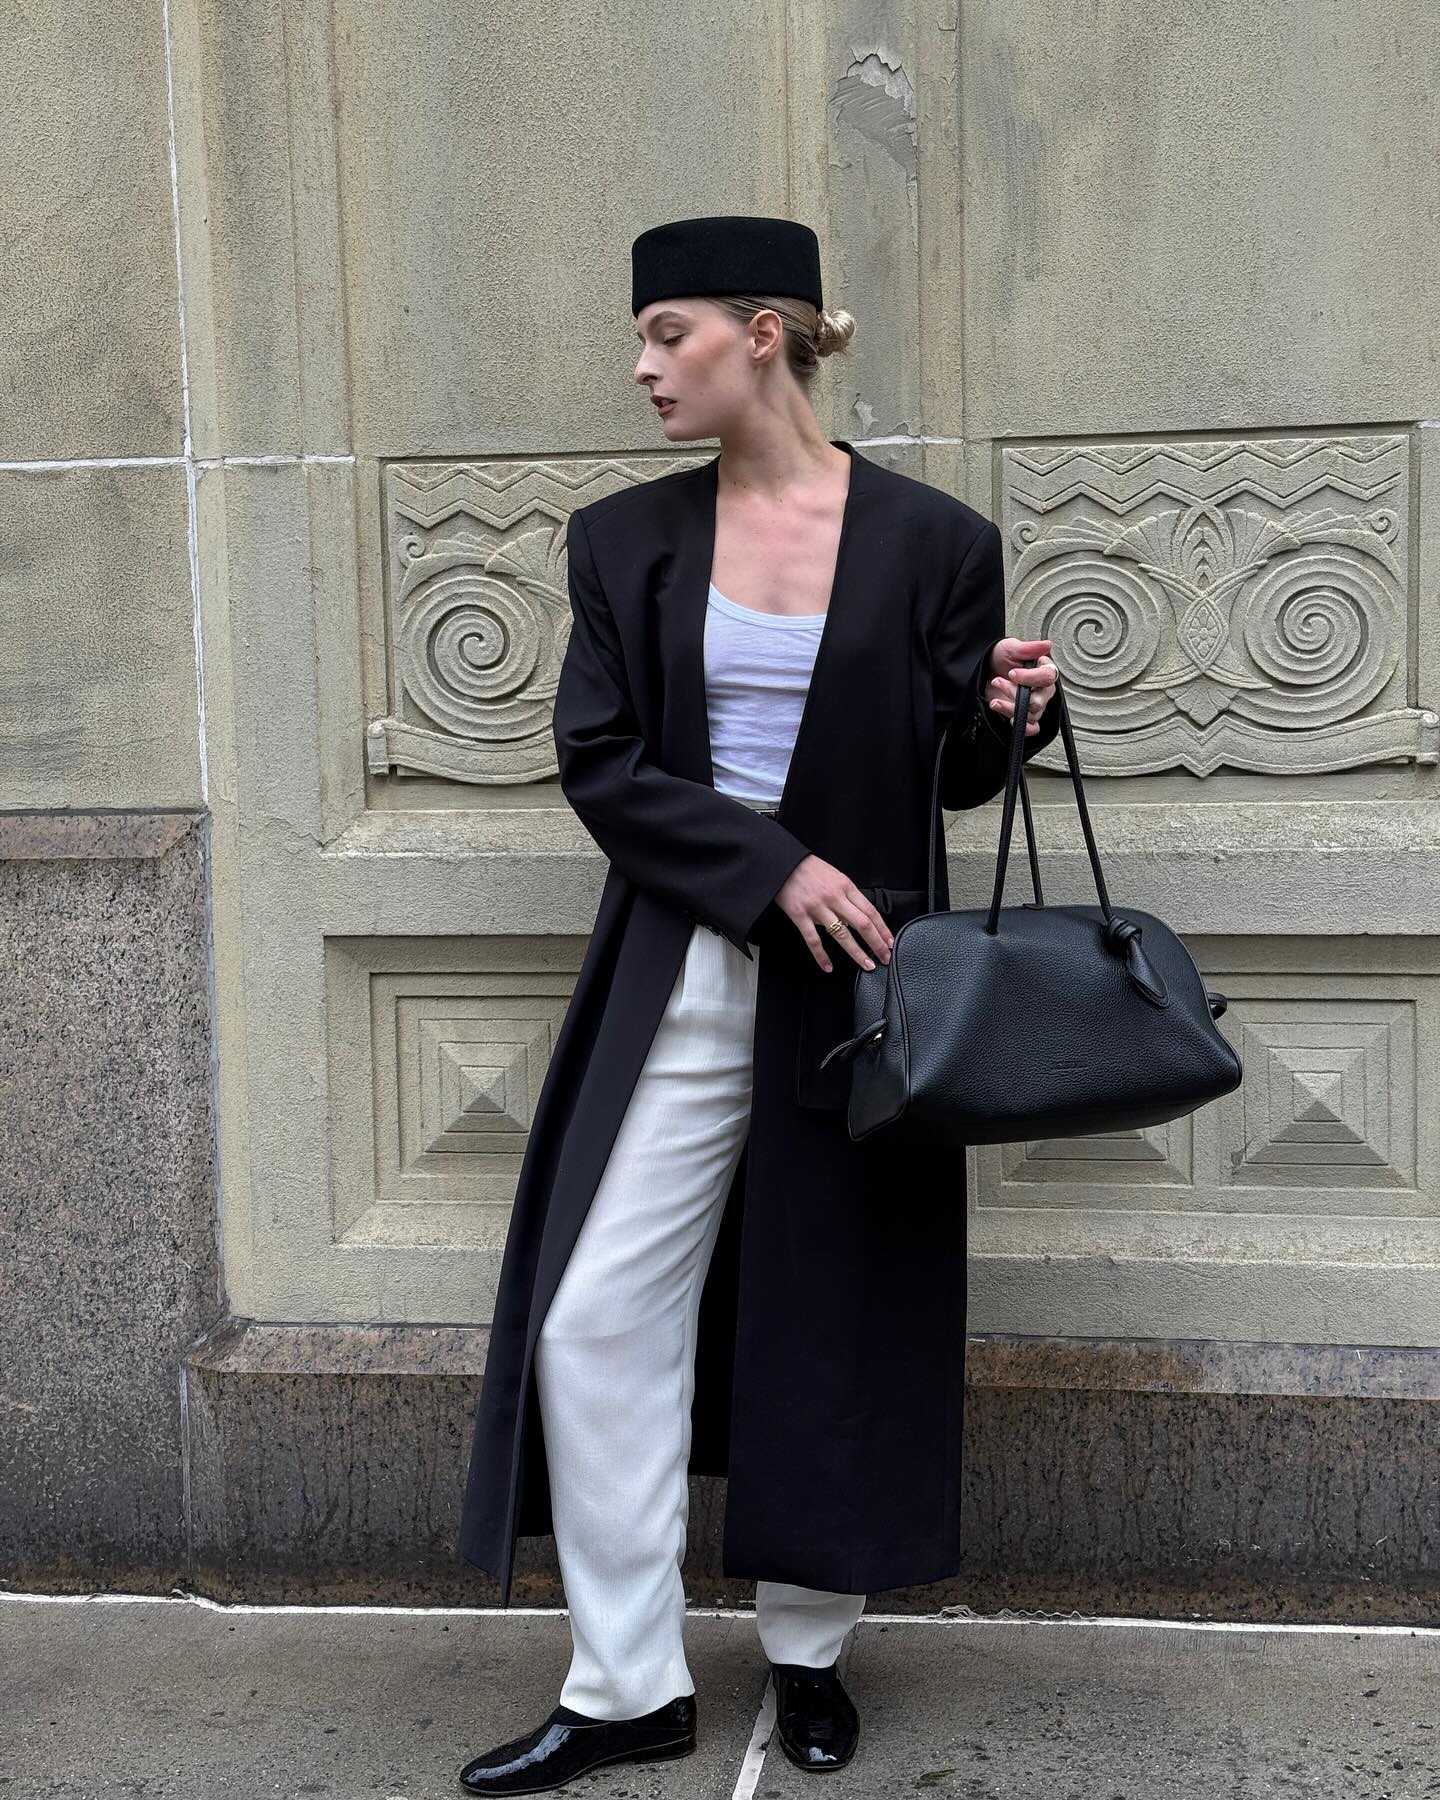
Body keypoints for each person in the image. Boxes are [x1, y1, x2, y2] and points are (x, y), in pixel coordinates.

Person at [456, 214, 1059, 1795]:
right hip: (683, 975)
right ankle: (626, 1683)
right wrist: (770, 867)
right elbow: (602, 761)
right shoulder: (623, 541)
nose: (644, 366)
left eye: (670, 334)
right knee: (593, 1323)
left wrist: (1011, 720)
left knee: (833, 1319)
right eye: (645, 339)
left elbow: (953, 773)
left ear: (764, 333)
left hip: (859, 993)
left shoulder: (934, 540)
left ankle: (807, 1658)